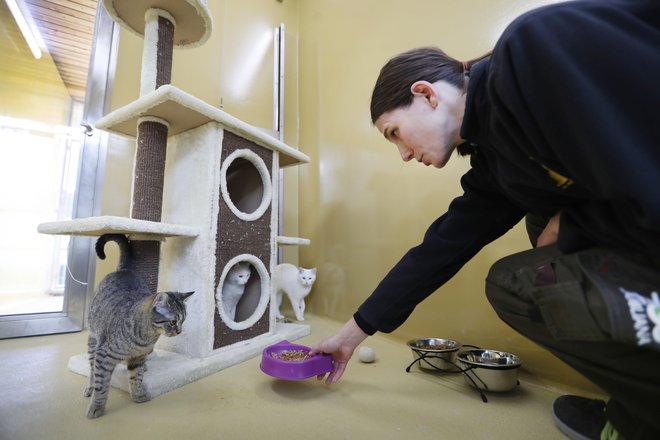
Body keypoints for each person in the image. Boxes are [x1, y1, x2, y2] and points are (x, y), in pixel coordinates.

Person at [310, 1, 660, 439]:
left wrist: (574, 226)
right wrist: (350, 334)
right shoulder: (498, 162)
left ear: (425, 93)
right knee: (527, 261)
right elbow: (440, 249)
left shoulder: (532, 48)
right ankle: (639, 411)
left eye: (394, 132)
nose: (402, 154)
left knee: (530, 270)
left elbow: (637, 155)